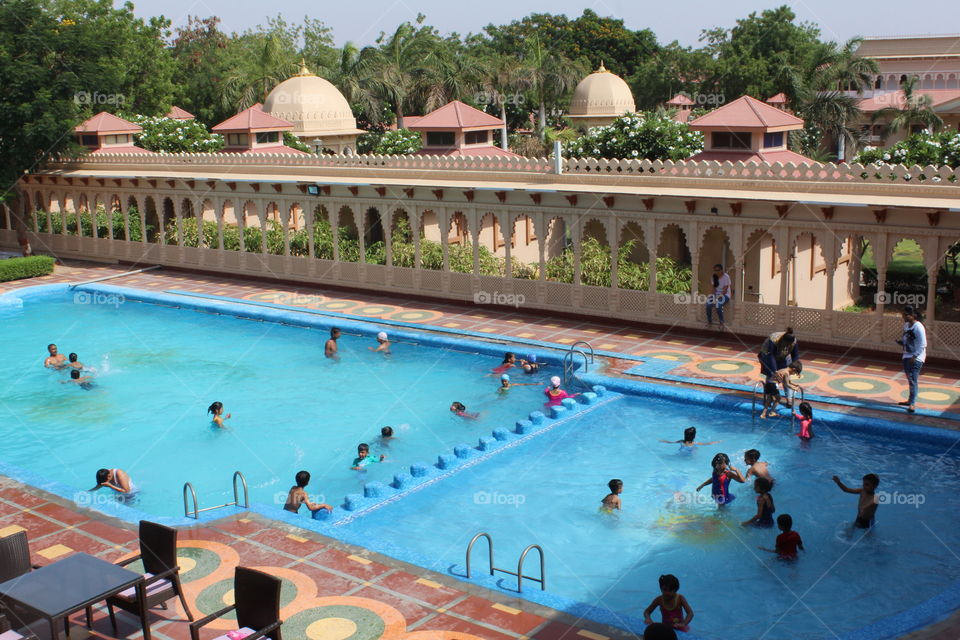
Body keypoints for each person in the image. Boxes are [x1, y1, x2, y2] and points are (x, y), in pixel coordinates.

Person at [897, 306, 926, 414]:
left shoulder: (919, 327)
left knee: (913, 379)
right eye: (903, 314)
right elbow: (906, 338)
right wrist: (902, 343)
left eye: (906, 315)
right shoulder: (906, 325)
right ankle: (910, 400)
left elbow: (923, 344)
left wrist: (915, 356)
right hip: (906, 355)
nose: (903, 317)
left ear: (913, 315)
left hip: (916, 357)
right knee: (910, 379)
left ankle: (912, 403)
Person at [758, 328, 800, 398]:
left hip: (783, 357)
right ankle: (769, 396)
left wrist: (796, 368)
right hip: (767, 355)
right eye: (785, 345)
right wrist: (775, 371)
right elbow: (771, 356)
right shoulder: (774, 339)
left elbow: (795, 355)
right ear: (782, 340)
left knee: (787, 375)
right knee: (771, 375)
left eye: (788, 346)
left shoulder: (793, 342)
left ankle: (789, 398)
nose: (786, 347)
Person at [706, 263, 731, 328]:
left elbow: (725, 290)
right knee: (708, 305)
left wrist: (718, 298)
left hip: (725, 295)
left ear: (721, 270)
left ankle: (721, 323)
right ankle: (709, 321)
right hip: (716, 295)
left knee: (718, 305)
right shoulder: (713, 277)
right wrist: (714, 297)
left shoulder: (726, 277)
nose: (716, 272)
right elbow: (714, 288)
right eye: (715, 270)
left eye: (718, 270)